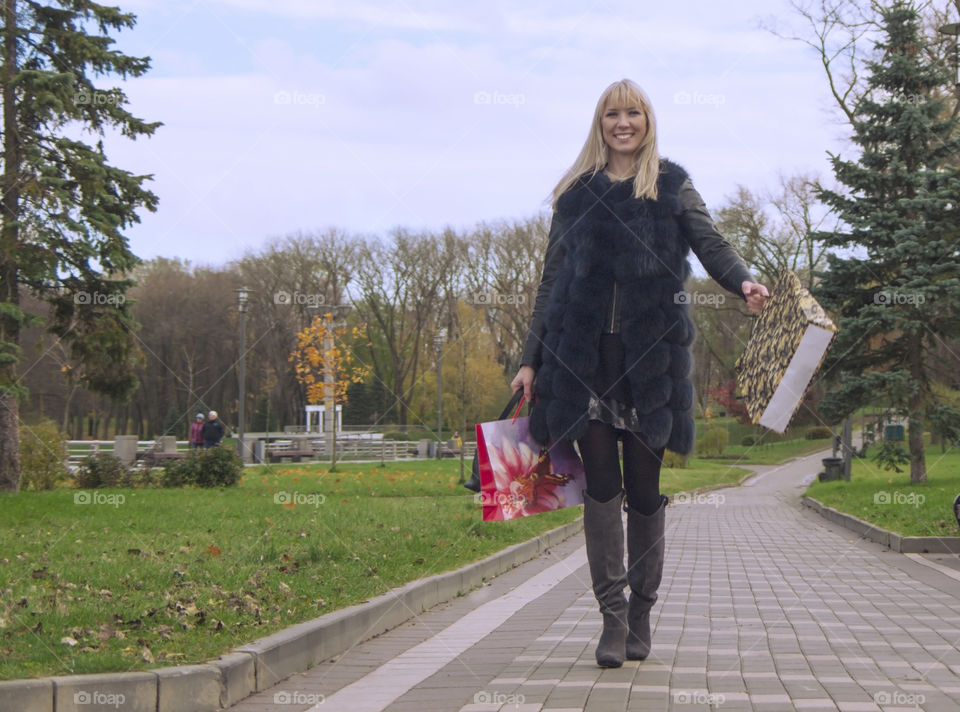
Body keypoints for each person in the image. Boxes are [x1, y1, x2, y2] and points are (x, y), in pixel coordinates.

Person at [511, 79, 769, 669]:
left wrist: (743, 281)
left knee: (645, 493)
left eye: (632, 113)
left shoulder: (672, 185)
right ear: (599, 124)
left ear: (647, 120)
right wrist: (530, 359)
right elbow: (551, 281)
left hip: (649, 363)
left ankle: (643, 611)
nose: (622, 123)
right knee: (600, 488)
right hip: (582, 362)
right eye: (611, 114)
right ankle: (611, 616)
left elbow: (712, 243)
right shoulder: (575, 194)